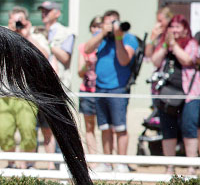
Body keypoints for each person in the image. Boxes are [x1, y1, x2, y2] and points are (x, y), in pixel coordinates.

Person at [82, 9, 138, 170]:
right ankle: (107, 163)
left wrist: (118, 36)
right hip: (100, 88)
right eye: (107, 23)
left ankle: (121, 163)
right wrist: (101, 34)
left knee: (120, 127)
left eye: (113, 22)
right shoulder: (101, 38)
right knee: (105, 127)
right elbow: (87, 49)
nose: (111, 26)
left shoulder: (129, 38)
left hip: (118, 88)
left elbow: (123, 60)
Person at [0, 7, 50, 168]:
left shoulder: (35, 35)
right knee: (4, 133)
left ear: (26, 21)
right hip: (5, 93)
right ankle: (11, 163)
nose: (18, 24)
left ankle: (27, 163)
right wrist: (10, 33)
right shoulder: (2, 35)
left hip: (27, 93)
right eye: (14, 21)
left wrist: (27, 35)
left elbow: (45, 56)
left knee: (28, 132)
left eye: (20, 20)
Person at [148, 14, 199, 175]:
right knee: (167, 129)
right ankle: (169, 167)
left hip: (189, 94)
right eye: (172, 26)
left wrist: (174, 46)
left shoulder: (192, 43)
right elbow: (155, 61)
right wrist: (165, 45)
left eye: (178, 26)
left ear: (185, 28)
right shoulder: (164, 44)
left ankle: (191, 166)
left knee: (189, 128)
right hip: (166, 95)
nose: (175, 30)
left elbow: (187, 60)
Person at [37, 0, 75, 168]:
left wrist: (49, 43)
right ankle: (51, 164)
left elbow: (65, 57)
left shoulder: (66, 33)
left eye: (48, 11)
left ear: (57, 13)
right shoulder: (37, 33)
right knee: (46, 127)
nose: (44, 13)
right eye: (42, 11)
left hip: (60, 86)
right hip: (41, 86)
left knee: (61, 126)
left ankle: (64, 164)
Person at [77, 16, 103, 155]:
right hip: (87, 91)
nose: (96, 29)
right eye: (94, 26)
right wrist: (86, 66)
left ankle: (109, 161)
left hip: (103, 90)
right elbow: (80, 73)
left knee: (106, 127)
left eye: (100, 26)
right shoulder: (84, 47)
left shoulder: (106, 47)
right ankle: (94, 159)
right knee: (89, 127)